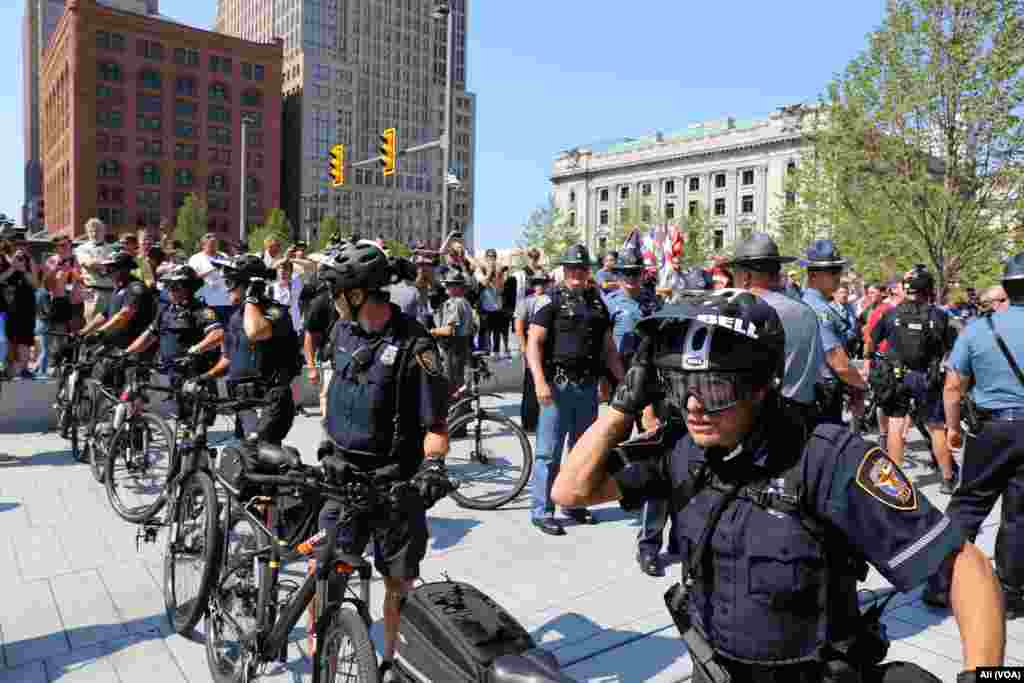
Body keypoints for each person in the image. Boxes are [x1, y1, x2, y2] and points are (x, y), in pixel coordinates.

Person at [552, 290, 1005, 683]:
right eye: (680, 384)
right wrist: (623, 404)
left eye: (713, 390)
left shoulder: (828, 457)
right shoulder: (682, 447)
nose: (694, 407)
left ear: (760, 387)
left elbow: (968, 568)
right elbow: (570, 492)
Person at [313, 240, 450, 682]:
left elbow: (436, 426)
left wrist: (433, 468)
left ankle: (390, 663)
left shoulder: (416, 344)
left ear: (357, 294)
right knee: (327, 574)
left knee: (399, 584)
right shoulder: (341, 333)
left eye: (337, 292)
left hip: (394, 483)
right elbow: (330, 392)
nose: (332, 301)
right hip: (341, 478)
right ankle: (325, 651)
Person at [921, 253, 1024, 615]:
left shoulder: (980, 329)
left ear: (1006, 289)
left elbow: (952, 387)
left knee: (968, 504)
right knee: (1019, 514)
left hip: (991, 428)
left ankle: (939, 582)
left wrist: (951, 429)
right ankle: (1011, 593)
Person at [527, 244, 625, 536]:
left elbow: (608, 347)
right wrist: (539, 382)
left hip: (587, 387)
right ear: (564, 270)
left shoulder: (597, 302)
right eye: (572, 268)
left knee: (583, 450)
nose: (577, 274)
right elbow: (534, 342)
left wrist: (620, 380)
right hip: (557, 386)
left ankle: (573, 501)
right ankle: (542, 510)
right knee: (548, 452)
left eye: (582, 269)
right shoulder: (551, 300)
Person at [190, 254, 298, 444]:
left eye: (231, 283)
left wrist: (252, 298)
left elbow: (255, 332)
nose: (226, 289)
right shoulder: (235, 317)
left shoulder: (275, 311)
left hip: (270, 400)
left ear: (249, 285)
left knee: (262, 455)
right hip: (243, 402)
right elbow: (229, 358)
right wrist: (203, 377)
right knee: (244, 462)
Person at [868, 269, 960, 493]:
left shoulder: (891, 314)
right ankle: (947, 479)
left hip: (897, 375)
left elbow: (872, 340)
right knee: (936, 427)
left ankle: (894, 481)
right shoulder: (939, 315)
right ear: (929, 290)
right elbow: (952, 348)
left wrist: (872, 359)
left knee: (895, 425)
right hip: (927, 377)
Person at [724, 232, 824, 422]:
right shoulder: (807, 312)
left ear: (745, 277)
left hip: (760, 422)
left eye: (734, 275)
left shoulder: (740, 313)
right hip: (804, 417)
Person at [123, 265, 223, 412]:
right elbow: (149, 336)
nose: (169, 290)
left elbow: (218, 333)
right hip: (170, 373)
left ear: (188, 288)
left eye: (174, 286)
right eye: (168, 286)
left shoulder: (202, 310)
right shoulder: (166, 311)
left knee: (195, 420)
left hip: (194, 373)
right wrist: (127, 352)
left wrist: (196, 349)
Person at [801, 240, 867, 425]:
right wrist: (861, 386)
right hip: (822, 395)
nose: (839, 276)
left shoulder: (817, 304)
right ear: (813, 275)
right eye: (832, 271)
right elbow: (839, 363)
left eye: (839, 270)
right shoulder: (819, 310)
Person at [78, 249, 158, 389]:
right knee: (104, 377)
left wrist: (100, 332)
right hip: (118, 343)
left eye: (112, 268)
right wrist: (84, 331)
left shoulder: (135, 288)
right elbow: (104, 314)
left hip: (136, 346)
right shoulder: (119, 288)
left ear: (124, 269)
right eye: (108, 268)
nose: (108, 271)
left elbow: (125, 314)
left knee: (131, 388)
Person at [514, 271, 552, 433]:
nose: (540, 286)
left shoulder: (550, 300)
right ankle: (529, 422)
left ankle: (543, 421)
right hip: (533, 344)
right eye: (537, 282)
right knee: (531, 384)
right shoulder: (526, 302)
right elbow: (518, 326)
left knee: (545, 382)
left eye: (542, 282)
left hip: (548, 345)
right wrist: (524, 348)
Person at [431, 271, 475, 393]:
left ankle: (457, 409)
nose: (447, 287)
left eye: (449, 284)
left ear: (458, 287)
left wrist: (432, 331)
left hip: (453, 347)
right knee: (460, 381)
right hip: (462, 345)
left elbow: (449, 330)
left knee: (452, 383)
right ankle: (464, 408)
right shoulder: (465, 302)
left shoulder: (455, 303)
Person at [75, 217, 116, 324]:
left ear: (104, 231)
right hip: (93, 293)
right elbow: (89, 264)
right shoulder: (81, 248)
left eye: (98, 230)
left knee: (110, 326)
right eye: (91, 231)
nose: (94, 233)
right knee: (92, 327)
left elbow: (115, 267)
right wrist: (106, 264)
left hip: (111, 293)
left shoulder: (112, 249)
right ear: (87, 233)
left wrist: (98, 264)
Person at [187, 233, 233, 323]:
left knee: (225, 323)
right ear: (203, 245)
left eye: (215, 244)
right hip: (204, 298)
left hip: (223, 297)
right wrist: (211, 270)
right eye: (211, 244)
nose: (213, 246)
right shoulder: (196, 258)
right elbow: (191, 277)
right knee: (208, 323)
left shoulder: (224, 256)